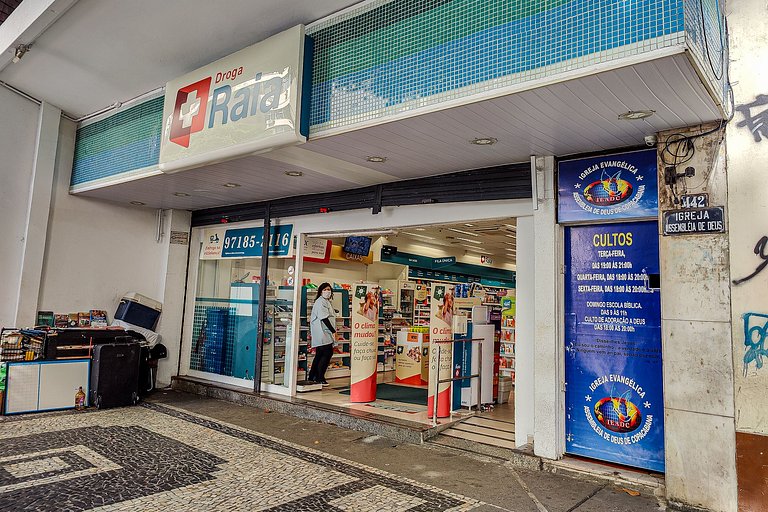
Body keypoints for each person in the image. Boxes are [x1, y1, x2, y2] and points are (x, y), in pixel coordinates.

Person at [308, 283, 336, 385]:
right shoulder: (320, 302)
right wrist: (333, 331)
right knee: (327, 354)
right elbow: (324, 318)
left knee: (319, 355)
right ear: (320, 291)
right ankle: (320, 378)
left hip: (323, 332)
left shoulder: (325, 302)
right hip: (322, 332)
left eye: (329, 289)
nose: (327, 291)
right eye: (325, 289)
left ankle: (312, 376)